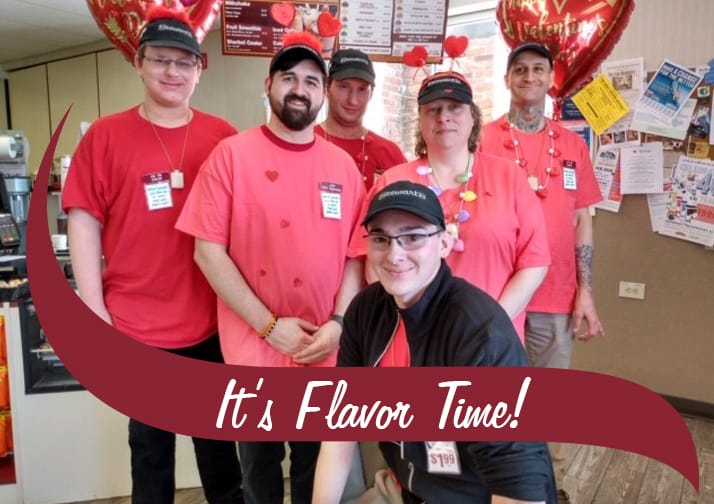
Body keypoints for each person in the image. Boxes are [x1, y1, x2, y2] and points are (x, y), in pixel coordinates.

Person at [62, 7, 243, 504]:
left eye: (184, 63)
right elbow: (83, 219)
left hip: (211, 322)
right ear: (138, 63)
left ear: (199, 69)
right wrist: (92, 306)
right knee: (150, 453)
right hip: (137, 326)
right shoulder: (105, 136)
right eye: (161, 60)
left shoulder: (223, 137)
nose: (172, 72)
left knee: (220, 451)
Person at [176, 32, 366, 504]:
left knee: (313, 470)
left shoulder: (342, 167)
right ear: (268, 85)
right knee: (258, 473)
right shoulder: (231, 157)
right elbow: (208, 252)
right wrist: (269, 326)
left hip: (321, 349)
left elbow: (354, 256)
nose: (299, 89)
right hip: (252, 349)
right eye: (288, 78)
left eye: (310, 81)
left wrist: (339, 325)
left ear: (323, 94)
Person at [312, 180, 557, 504]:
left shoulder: (478, 333)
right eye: (381, 238)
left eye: (412, 237)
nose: (394, 254)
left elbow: (518, 487)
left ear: (444, 243)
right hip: (405, 487)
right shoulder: (367, 309)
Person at [479, 41, 605, 504]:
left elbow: (583, 221)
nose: (529, 77)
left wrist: (585, 293)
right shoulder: (484, 139)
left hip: (555, 294)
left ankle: (550, 488)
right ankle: (491, 484)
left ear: (550, 79)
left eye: (538, 69)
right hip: (496, 295)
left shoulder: (572, 145)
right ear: (507, 78)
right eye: (520, 69)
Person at [350, 71, 550, 342]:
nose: (443, 117)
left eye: (454, 107)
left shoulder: (509, 178)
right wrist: (415, 321)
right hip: (411, 338)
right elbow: (373, 264)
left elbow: (534, 263)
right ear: (420, 120)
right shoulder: (393, 181)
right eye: (433, 109)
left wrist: (490, 324)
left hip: (492, 339)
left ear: (472, 117)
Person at [315, 48, 407, 190]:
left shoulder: (390, 152)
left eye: (362, 89)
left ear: (371, 94)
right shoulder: (306, 143)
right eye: (344, 87)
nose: (353, 100)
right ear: (327, 88)